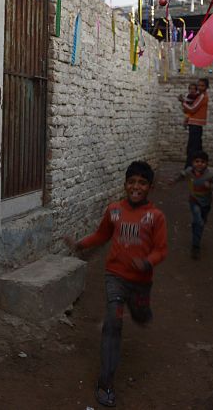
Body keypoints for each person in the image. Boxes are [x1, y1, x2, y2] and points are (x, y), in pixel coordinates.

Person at [64, 161, 168, 407]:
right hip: (115, 278)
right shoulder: (114, 210)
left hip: (141, 282)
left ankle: (141, 309)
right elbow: (102, 235)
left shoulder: (156, 217)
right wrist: (81, 244)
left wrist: (148, 262)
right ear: (125, 185)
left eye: (142, 183)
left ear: (150, 187)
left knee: (141, 315)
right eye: (131, 181)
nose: (136, 187)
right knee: (113, 324)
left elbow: (161, 249)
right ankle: (105, 383)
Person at [169, 150, 213, 260]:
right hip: (194, 201)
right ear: (192, 163)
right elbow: (182, 175)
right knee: (198, 221)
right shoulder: (190, 171)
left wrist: (210, 186)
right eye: (197, 161)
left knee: (200, 223)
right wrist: (174, 180)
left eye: (202, 162)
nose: (199, 164)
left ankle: (197, 229)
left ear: (207, 163)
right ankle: (196, 247)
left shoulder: (210, 174)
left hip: (206, 203)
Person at [178, 77, 209, 167]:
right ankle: (197, 167)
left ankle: (189, 168)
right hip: (196, 124)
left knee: (192, 148)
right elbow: (190, 105)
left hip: (195, 124)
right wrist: (184, 102)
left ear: (206, 87)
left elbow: (192, 109)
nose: (200, 87)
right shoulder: (200, 95)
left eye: (202, 85)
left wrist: (183, 102)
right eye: (199, 85)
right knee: (196, 147)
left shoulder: (202, 96)